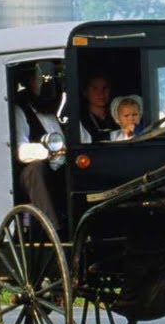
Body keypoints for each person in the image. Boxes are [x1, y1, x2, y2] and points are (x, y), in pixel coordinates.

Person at [13, 63, 67, 229]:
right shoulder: (20, 110)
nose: (46, 85)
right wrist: (48, 152)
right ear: (30, 82)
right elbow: (21, 150)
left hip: (61, 168)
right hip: (34, 174)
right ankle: (54, 229)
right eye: (41, 81)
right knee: (36, 168)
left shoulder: (59, 110)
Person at [79, 74, 115, 143]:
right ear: (85, 92)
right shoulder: (80, 121)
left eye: (105, 88)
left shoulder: (121, 116)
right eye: (95, 88)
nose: (101, 93)